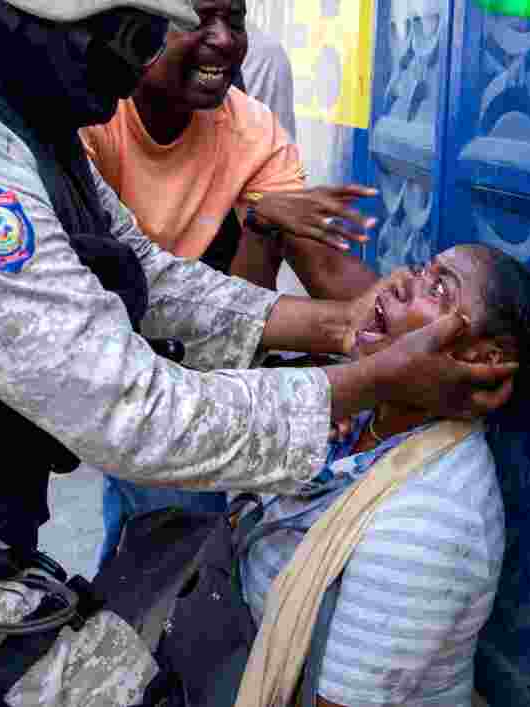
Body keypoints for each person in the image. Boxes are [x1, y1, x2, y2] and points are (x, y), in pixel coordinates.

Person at [0, 0, 517, 698]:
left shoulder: (23, 110)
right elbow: (134, 409)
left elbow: (146, 269)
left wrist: (341, 329)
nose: (137, 62)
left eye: (439, 289)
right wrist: (369, 377)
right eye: (138, 34)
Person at [80, 0, 380, 567]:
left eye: (235, 21)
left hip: (199, 355)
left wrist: (412, 319)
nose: (222, 40)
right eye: (197, 21)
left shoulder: (251, 128)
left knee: (161, 539)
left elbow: (317, 270)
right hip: (115, 357)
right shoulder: (93, 118)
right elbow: (122, 286)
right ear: (139, 24)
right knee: (172, 536)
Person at [238, 244, 530, 707]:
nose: (398, 280)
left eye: (437, 289)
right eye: (419, 268)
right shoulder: (357, 413)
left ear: (483, 359)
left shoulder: (432, 518)